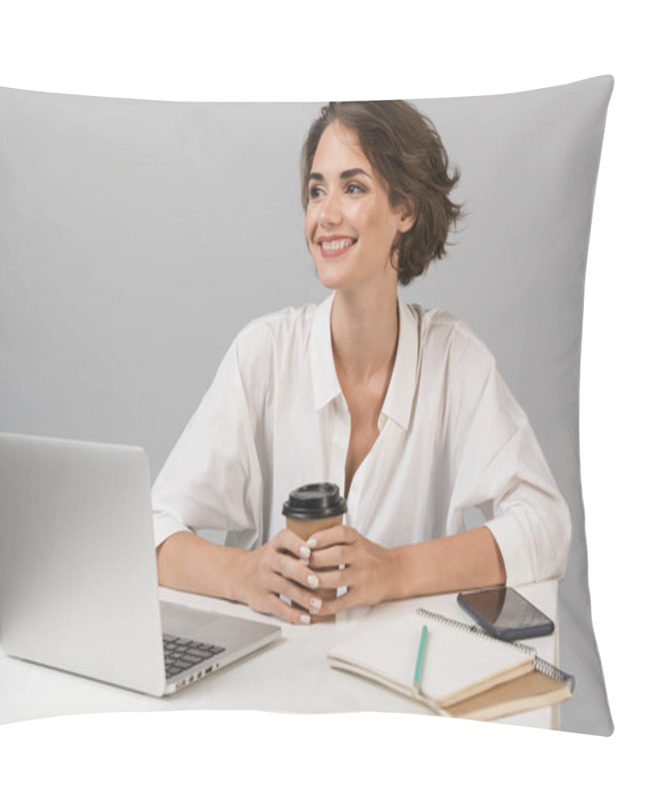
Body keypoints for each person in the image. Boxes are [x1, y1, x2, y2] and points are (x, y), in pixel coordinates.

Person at [152, 101, 571, 625]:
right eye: (315, 190)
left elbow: (547, 527)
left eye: (353, 187)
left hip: (402, 686)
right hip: (274, 683)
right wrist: (244, 575)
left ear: (405, 209)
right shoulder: (262, 355)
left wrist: (394, 570)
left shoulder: (454, 361)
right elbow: (151, 527)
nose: (325, 215)